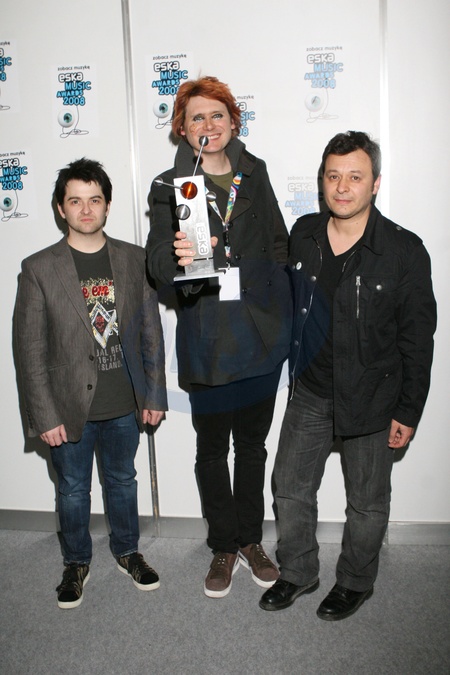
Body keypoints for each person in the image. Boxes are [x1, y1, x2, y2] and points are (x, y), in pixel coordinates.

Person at [259, 131, 437, 620]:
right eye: (333, 176)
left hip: (374, 397)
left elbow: (418, 340)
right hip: (311, 391)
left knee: (367, 502)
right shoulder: (304, 234)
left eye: (355, 177)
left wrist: (409, 410)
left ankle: (355, 582)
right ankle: (298, 571)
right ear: (322, 180)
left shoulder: (403, 251)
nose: (342, 187)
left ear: (375, 183)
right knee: (289, 488)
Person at [146, 76, 292, 598]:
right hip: (208, 337)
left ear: (233, 121)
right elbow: (156, 261)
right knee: (212, 450)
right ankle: (223, 546)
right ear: (182, 130)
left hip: (259, 335)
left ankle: (251, 540)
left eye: (217, 115)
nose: (208, 125)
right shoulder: (170, 185)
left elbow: (278, 241)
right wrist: (177, 258)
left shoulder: (255, 171)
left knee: (252, 446)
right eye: (196, 118)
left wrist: (279, 309)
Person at [14, 158, 168, 609]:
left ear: (107, 205)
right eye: (75, 201)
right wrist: (44, 415)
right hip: (67, 409)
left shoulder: (134, 259)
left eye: (94, 200)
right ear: (60, 208)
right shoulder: (38, 268)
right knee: (72, 490)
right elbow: (29, 350)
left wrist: (154, 393)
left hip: (124, 402)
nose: (85, 210)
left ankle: (127, 551)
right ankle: (76, 562)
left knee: (123, 481)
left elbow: (151, 332)